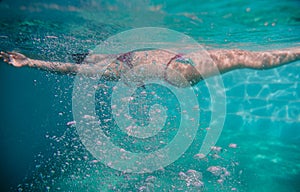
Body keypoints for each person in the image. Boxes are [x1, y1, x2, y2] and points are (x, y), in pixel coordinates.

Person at [1, 47, 299, 87]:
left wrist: (31, 62)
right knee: (241, 58)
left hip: (177, 68)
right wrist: (31, 62)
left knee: (241, 59)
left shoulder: (114, 67)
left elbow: (71, 68)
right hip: (178, 70)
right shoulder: (115, 69)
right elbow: (71, 68)